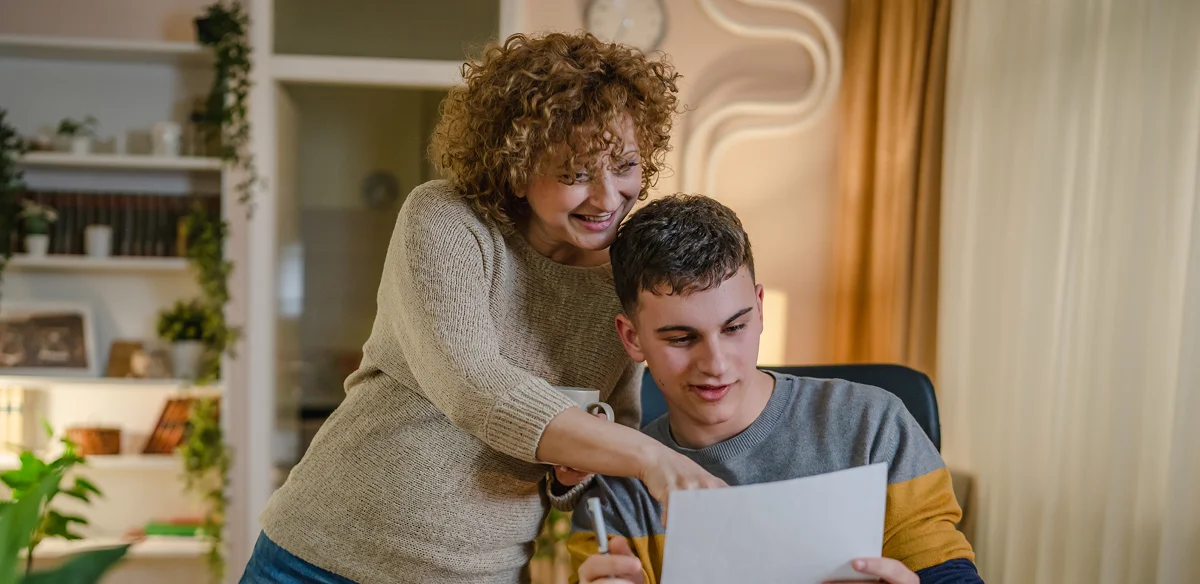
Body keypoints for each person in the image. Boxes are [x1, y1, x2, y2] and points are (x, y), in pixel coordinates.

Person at [239, 33, 726, 584]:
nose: (608, 197)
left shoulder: (625, 275)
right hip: (319, 558)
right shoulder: (447, 220)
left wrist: (576, 470)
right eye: (575, 173)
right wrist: (650, 457)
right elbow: (473, 385)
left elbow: (614, 419)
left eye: (625, 165)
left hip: (481, 574)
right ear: (516, 167)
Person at [569, 195, 983, 584]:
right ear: (632, 338)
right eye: (681, 338)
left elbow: (945, 570)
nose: (716, 365)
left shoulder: (872, 424)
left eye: (735, 327)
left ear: (760, 308)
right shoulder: (616, 487)